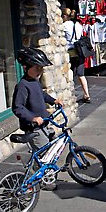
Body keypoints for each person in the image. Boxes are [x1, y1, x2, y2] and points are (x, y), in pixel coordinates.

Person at [12, 47, 62, 190]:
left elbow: (42, 95)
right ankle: (44, 181)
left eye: (41, 68)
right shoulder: (22, 86)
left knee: (49, 149)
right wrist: (33, 118)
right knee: (44, 154)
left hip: (44, 124)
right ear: (26, 67)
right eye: (37, 68)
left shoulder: (35, 81)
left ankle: (40, 172)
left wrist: (53, 101)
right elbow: (18, 107)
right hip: (34, 128)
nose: (40, 71)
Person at [62, 8, 91, 104]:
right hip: (80, 51)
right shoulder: (78, 25)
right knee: (81, 74)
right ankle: (87, 94)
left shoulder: (64, 25)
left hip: (70, 51)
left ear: (65, 16)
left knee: (70, 74)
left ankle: (70, 95)